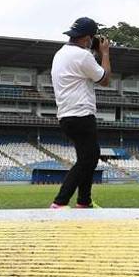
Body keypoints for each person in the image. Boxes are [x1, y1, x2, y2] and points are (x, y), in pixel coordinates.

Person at [49, 16, 111, 209]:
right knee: (89, 157)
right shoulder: (83, 56)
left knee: (86, 157)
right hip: (81, 113)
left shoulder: (61, 53)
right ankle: (60, 201)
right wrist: (105, 53)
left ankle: (84, 201)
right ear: (88, 38)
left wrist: (93, 52)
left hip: (66, 115)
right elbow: (105, 79)